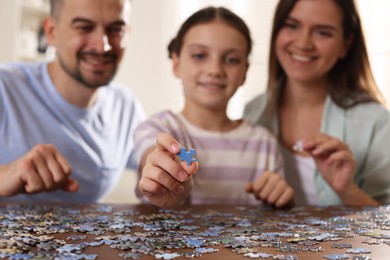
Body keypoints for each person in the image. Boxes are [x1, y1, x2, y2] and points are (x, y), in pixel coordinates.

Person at [134, 7, 294, 209]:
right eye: (200, 55)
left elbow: (277, 207)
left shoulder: (264, 144)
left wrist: (282, 199)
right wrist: (161, 172)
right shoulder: (159, 129)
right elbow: (151, 155)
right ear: (176, 63)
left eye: (231, 60)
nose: (215, 70)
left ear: (245, 72)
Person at [244, 0, 390, 206]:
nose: (303, 43)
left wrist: (347, 191)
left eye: (323, 32)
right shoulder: (252, 112)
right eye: (292, 25)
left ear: (345, 45)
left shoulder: (377, 122)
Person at [0, 0, 145, 202]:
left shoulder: (125, 105)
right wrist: (4, 175)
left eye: (115, 29)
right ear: (51, 32)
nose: (102, 46)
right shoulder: (4, 86)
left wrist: (169, 175)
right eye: (84, 28)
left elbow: (151, 161)